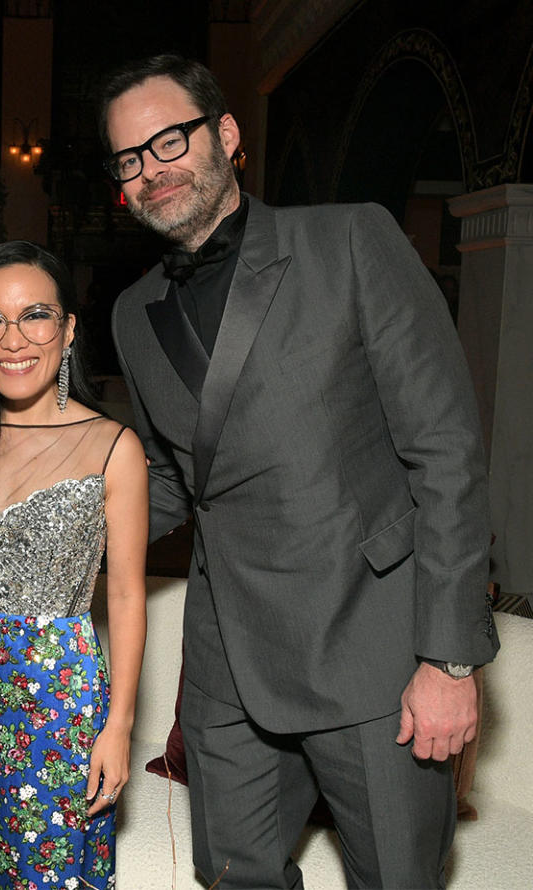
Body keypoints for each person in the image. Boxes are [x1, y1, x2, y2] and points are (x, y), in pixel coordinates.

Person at [99, 54, 498, 889]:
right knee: (232, 875)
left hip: (375, 654)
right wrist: (49, 524)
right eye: (130, 158)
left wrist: (450, 660)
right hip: (227, 667)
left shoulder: (349, 241)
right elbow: (176, 480)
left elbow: (447, 454)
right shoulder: (133, 314)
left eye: (169, 140)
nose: (151, 169)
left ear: (228, 135)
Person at [0, 240, 147, 889]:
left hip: (59, 695)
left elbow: (125, 597)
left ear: (68, 329)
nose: (12, 338)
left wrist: (119, 725)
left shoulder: (113, 447)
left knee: (57, 872)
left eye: (35, 315)